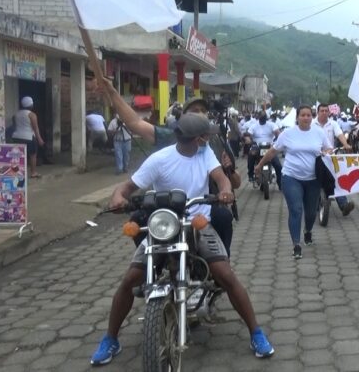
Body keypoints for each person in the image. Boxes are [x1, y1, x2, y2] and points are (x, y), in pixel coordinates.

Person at [89, 114, 273, 365]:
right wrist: (118, 197)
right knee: (131, 279)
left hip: (197, 223)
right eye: (205, 135)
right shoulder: (160, 160)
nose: (208, 138)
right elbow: (125, 188)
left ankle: (256, 332)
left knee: (225, 275)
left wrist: (226, 191)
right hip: (164, 225)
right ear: (198, 138)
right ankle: (110, 338)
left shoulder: (205, 152)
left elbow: (221, 179)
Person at [98, 79, 240, 257]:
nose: (201, 115)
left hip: (206, 204)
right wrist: (112, 93)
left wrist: (229, 180)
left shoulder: (216, 141)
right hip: (168, 207)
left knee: (224, 219)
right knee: (137, 221)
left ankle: (221, 262)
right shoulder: (168, 138)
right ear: (183, 118)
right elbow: (135, 123)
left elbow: (235, 182)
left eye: (204, 111)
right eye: (195, 111)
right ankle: (152, 261)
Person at [254, 106, 328, 259]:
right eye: (303, 115)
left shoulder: (319, 133)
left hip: (313, 178)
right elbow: (273, 151)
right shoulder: (287, 134)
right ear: (297, 117)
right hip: (291, 177)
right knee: (295, 209)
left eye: (309, 115)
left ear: (311, 117)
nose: (306, 118)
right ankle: (296, 244)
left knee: (310, 212)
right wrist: (260, 165)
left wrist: (327, 153)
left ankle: (307, 231)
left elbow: (329, 149)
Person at [314, 104, 355, 216]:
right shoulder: (312, 124)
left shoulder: (333, 124)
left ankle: (344, 205)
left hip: (330, 156)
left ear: (329, 112)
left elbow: (340, 134)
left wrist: (346, 144)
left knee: (336, 179)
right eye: (321, 110)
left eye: (326, 111)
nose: (324, 112)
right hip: (313, 157)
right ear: (317, 112)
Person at [11, 96, 44, 178]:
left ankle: (16, 172)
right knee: (33, 155)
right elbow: (35, 128)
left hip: (16, 137)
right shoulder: (32, 115)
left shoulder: (16, 114)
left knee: (17, 155)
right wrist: (39, 139)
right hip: (28, 137)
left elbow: (15, 126)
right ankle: (33, 172)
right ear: (31, 105)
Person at [248, 112, 282, 187]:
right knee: (250, 155)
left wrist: (277, 139)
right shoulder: (253, 126)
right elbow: (249, 135)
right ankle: (250, 174)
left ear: (266, 118)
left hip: (269, 148)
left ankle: (280, 183)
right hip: (257, 147)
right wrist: (249, 140)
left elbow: (278, 133)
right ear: (258, 118)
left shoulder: (272, 125)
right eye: (261, 117)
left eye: (264, 118)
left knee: (278, 165)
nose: (262, 119)